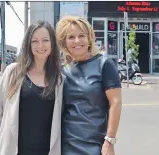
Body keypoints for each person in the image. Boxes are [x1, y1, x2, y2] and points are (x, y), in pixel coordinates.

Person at [0, 20, 64, 155]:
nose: (40, 45)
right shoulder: (13, 72)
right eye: (34, 41)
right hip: (14, 150)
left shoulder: (59, 79)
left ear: (52, 43)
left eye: (45, 40)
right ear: (28, 44)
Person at [56, 16, 122, 155]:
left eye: (81, 36)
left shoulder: (104, 64)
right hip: (67, 144)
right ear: (65, 42)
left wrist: (110, 140)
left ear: (89, 38)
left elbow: (115, 102)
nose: (77, 41)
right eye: (71, 37)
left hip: (97, 143)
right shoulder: (63, 70)